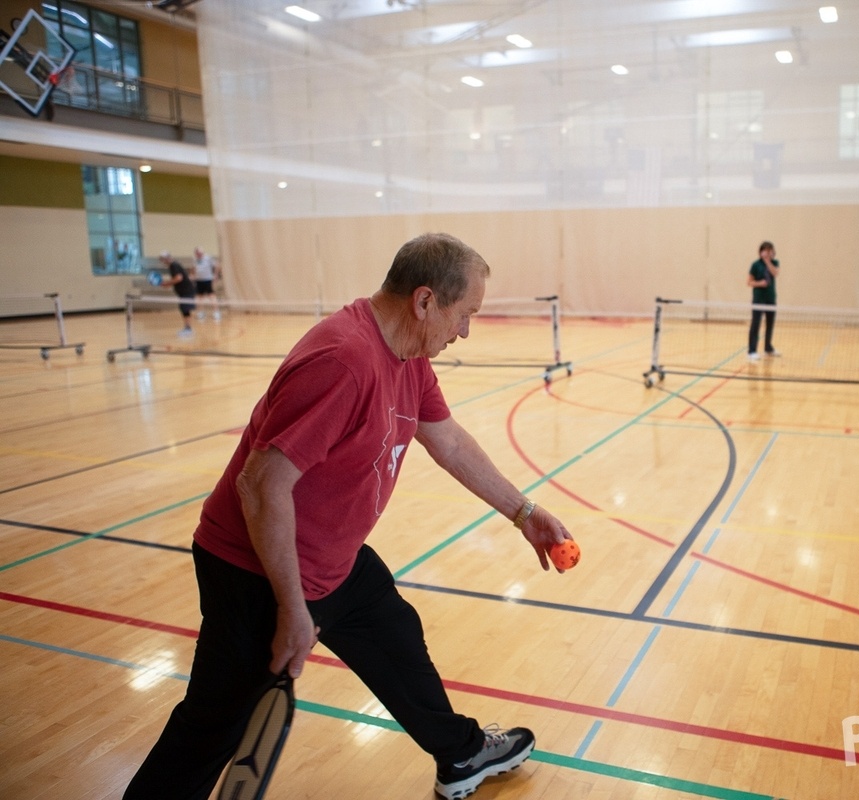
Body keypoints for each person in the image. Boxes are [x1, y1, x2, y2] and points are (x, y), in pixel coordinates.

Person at [124, 233, 574, 800]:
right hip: (255, 572)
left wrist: (523, 512)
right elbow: (260, 486)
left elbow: (449, 442)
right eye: (466, 315)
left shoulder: (408, 356)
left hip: (332, 560)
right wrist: (292, 608)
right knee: (213, 726)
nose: (465, 332)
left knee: (394, 637)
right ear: (425, 301)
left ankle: (460, 755)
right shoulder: (344, 361)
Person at [747, 240, 780, 361]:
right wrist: (759, 283)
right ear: (761, 252)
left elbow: (775, 273)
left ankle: (768, 348)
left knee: (770, 324)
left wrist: (768, 262)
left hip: (771, 298)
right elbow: (749, 282)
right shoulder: (755, 265)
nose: (767, 252)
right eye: (765, 250)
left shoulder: (775, 262)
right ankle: (751, 351)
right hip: (758, 299)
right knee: (756, 324)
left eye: (769, 250)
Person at [159, 250, 196, 338]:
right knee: (184, 310)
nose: (163, 261)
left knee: (185, 309)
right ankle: (188, 328)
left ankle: (188, 329)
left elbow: (179, 278)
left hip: (186, 291)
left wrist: (167, 283)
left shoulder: (173, 265)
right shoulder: (174, 265)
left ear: (167, 258)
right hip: (185, 291)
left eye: (163, 259)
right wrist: (169, 284)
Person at [193, 246, 221, 321]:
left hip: (207, 280)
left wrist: (216, 275)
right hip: (199, 281)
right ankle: (201, 313)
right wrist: (194, 277)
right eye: (198, 253)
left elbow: (217, 265)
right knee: (199, 298)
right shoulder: (195, 260)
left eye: (201, 253)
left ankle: (216, 312)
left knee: (212, 296)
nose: (199, 254)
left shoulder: (208, 258)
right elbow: (195, 269)